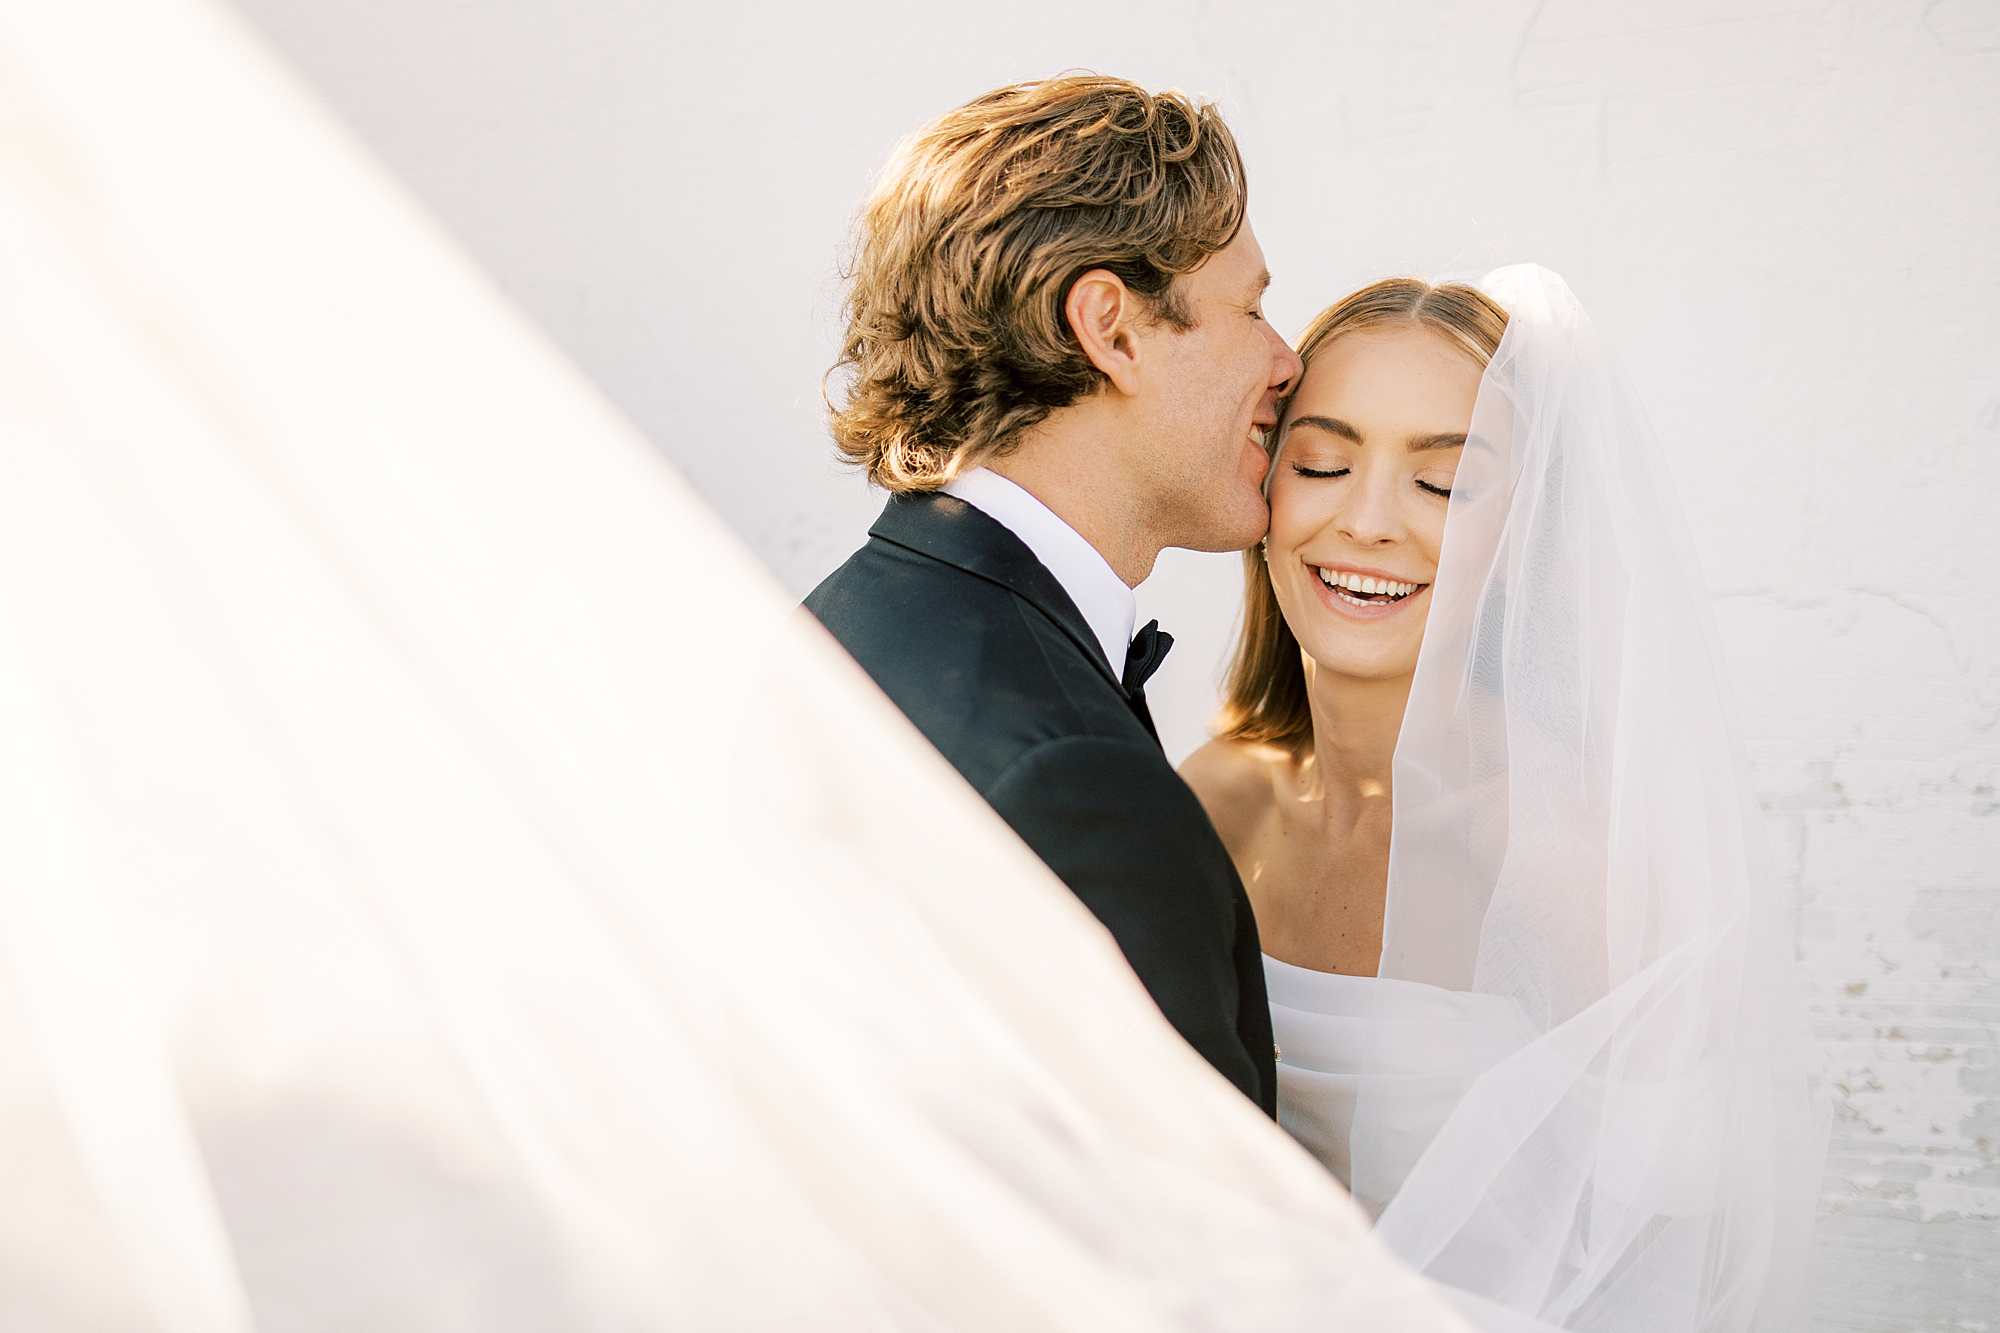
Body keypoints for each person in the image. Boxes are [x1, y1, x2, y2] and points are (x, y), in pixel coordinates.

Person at [1182, 269, 1826, 1330]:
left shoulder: (1556, 850)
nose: (1370, 521)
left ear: (1523, 540)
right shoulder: (1209, 798)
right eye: (1324, 462)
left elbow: (1672, 1256)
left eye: (1443, 486)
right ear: (1262, 489)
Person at [806, 76, 1299, 1111]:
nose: (1284, 359)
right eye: (1248, 307)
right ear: (1110, 329)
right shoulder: (1072, 780)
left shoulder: (842, 618)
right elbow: (1204, 1250)